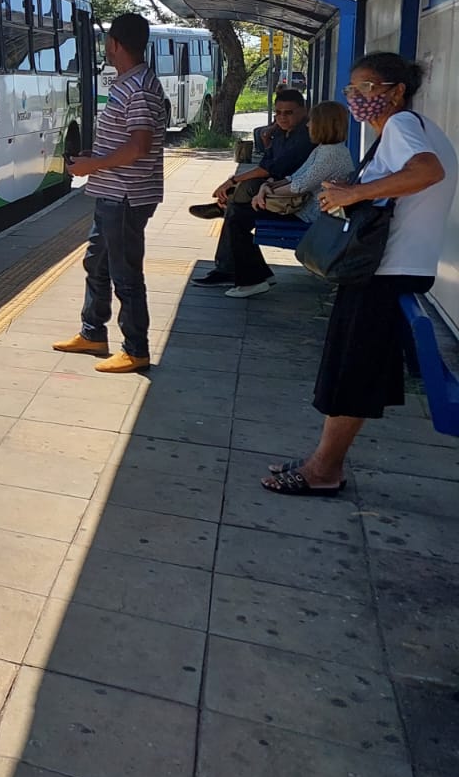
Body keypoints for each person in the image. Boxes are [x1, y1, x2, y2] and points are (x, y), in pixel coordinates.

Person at [263, 53, 457, 496]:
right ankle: (322, 460)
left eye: (366, 88)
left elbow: (428, 171)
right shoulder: (407, 130)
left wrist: (357, 192)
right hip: (389, 269)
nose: (356, 98)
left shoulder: (405, 126)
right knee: (351, 369)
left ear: (396, 91)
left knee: (352, 373)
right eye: (352, 90)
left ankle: (324, 470)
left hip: (387, 271)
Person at [53, 12, 168, 373]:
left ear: (115, 44)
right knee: (97, 264)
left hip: (126, 197)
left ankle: (136, 349)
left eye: (107, 42)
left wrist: (93, 166)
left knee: (125, 274)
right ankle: (93, 332)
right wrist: (96, 160)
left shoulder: (139, 89)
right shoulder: (129, 83)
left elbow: (139, 147)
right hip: (112, 192)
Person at [222, 101, 356, 298]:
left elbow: (299, 186)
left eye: (312, 122)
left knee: (238, 219)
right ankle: (259, 275)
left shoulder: (331, 153)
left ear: (323, 124)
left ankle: (253, 280)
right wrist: (266, 188)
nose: (308, 126)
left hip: (311, 215)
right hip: (304, 209)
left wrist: (265, 191)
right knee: (238, 215)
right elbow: (295, 177)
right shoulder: (325, 149)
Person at [189, 87, 313, 289]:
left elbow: (268, 169)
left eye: (289, 113)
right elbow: (268, 161)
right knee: (238, 208)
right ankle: (226, 211)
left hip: (292, 201)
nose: (282, 118)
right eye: (278, 113)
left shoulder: (304, 137)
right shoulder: (282, 134)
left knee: (238, 207)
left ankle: (224, 211)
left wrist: (232, 180)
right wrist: (267, 140)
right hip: (274, 191)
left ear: (304, 111)